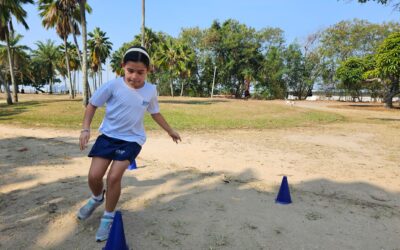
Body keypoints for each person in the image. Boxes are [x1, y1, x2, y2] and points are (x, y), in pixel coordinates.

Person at [77, 45, 181, 242]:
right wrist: (85, 128)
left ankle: (108, 217)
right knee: (94, 176)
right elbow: (92, 105)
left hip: (132, 139)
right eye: (130, 71)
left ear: (148, 71)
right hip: (108, 137)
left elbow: (155, 113)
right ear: (123, 67)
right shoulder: (113, 86)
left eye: (140, 72)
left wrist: (170, 131)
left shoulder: (150, 90)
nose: (135, 76)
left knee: (114, 177)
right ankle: (97, 198)